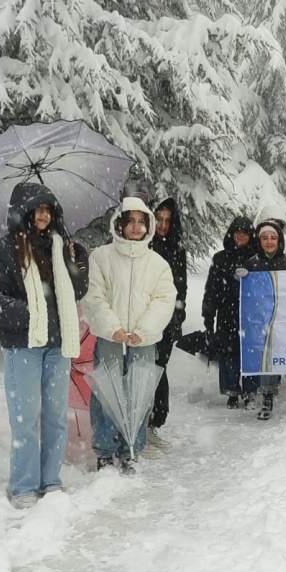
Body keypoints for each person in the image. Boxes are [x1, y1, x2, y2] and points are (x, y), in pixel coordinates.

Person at [0, 182, 89, 509]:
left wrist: (76, 263)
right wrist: (27, 313)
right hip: (23, 347)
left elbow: (76, 292)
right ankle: (23, 486)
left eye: (48, 209)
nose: (43, 215)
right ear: (22, 212)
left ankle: (50, 481)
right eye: (37, 209)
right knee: (24, 419)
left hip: (58, 345)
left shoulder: (59, 246)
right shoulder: (4, 250)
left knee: (54, 417)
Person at [82, 196, 177, 473]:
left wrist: (144, 329)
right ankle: (104, 449)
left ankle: (130, 448)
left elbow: (163, 299)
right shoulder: (101, 257)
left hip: (142, 340)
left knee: (139, 395)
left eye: (141, 222)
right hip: (111, 338)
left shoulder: (157, 263)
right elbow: (94, 296)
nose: (136, 227)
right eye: (130, 221)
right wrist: (113, 328)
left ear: (147, 225)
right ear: (119, 224)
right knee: (106, 393)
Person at [243, 220, 286, 420]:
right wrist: (239, 277)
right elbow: (245, 293)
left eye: (273, 238)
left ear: (279, 240)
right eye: (265, 238)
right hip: (263, 317)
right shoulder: (252, 263)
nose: (269, 242)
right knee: (268, 356)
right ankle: (267, 397)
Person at [202, 217, 257, 408]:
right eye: (237, 232)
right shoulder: (220, 258)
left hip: (252, 315)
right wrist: (208, 317)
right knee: (229, 353)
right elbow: (211, 290)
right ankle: (232, 392)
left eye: (245, 232)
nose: (241, 235)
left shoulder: (257, 258)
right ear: (231, 234)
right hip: (227, 314)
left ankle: (251, 392)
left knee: (251, 353)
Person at [147, 197, 187, 455]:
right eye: (159, 220)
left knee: (158, 369)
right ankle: (142, 424)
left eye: (167, 221)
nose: (162, 225)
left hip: (167, 321)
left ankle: (154, 423)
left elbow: (180, 287)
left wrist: (176, 318)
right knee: (144, 372)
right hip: (143, 319)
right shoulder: (144, 245)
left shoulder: (176, 249)